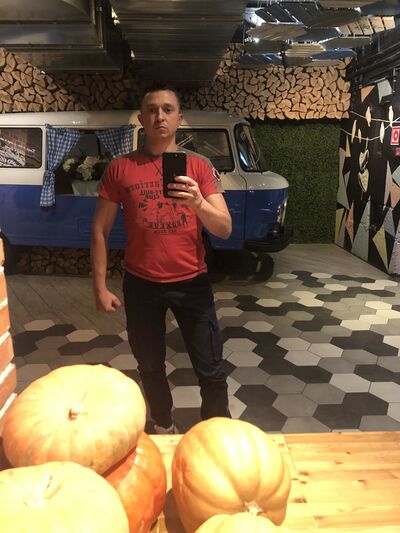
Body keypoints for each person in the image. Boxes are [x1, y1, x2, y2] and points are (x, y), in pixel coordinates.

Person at [90, 85, 232, 433]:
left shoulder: (198, 166)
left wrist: (198, 203)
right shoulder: (120, 168)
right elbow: (99, 230)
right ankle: (164, 424)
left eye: (168, 109)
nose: (159, 116)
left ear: (179, 119)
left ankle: (218, 434)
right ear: (142, 119)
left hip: (192, 282)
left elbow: (225, 229)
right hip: (141, 285)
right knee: (150, 367)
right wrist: (99, 287)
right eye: (152, 110)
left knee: (211, 367)